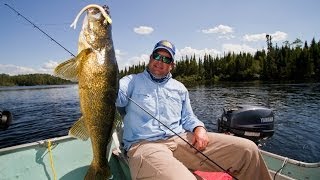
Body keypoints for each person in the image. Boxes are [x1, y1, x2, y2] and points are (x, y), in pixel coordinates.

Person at [116, 40, 272, 180]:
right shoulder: (130, 81)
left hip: (180, 139)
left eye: (166, 59)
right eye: (157, 56)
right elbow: (114, 96)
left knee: (248, 150)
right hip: (144, 145)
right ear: (150, 57)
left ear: (172, 65)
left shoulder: (180, 88)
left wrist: (199, 128)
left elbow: (188, 118)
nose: (160, 61)